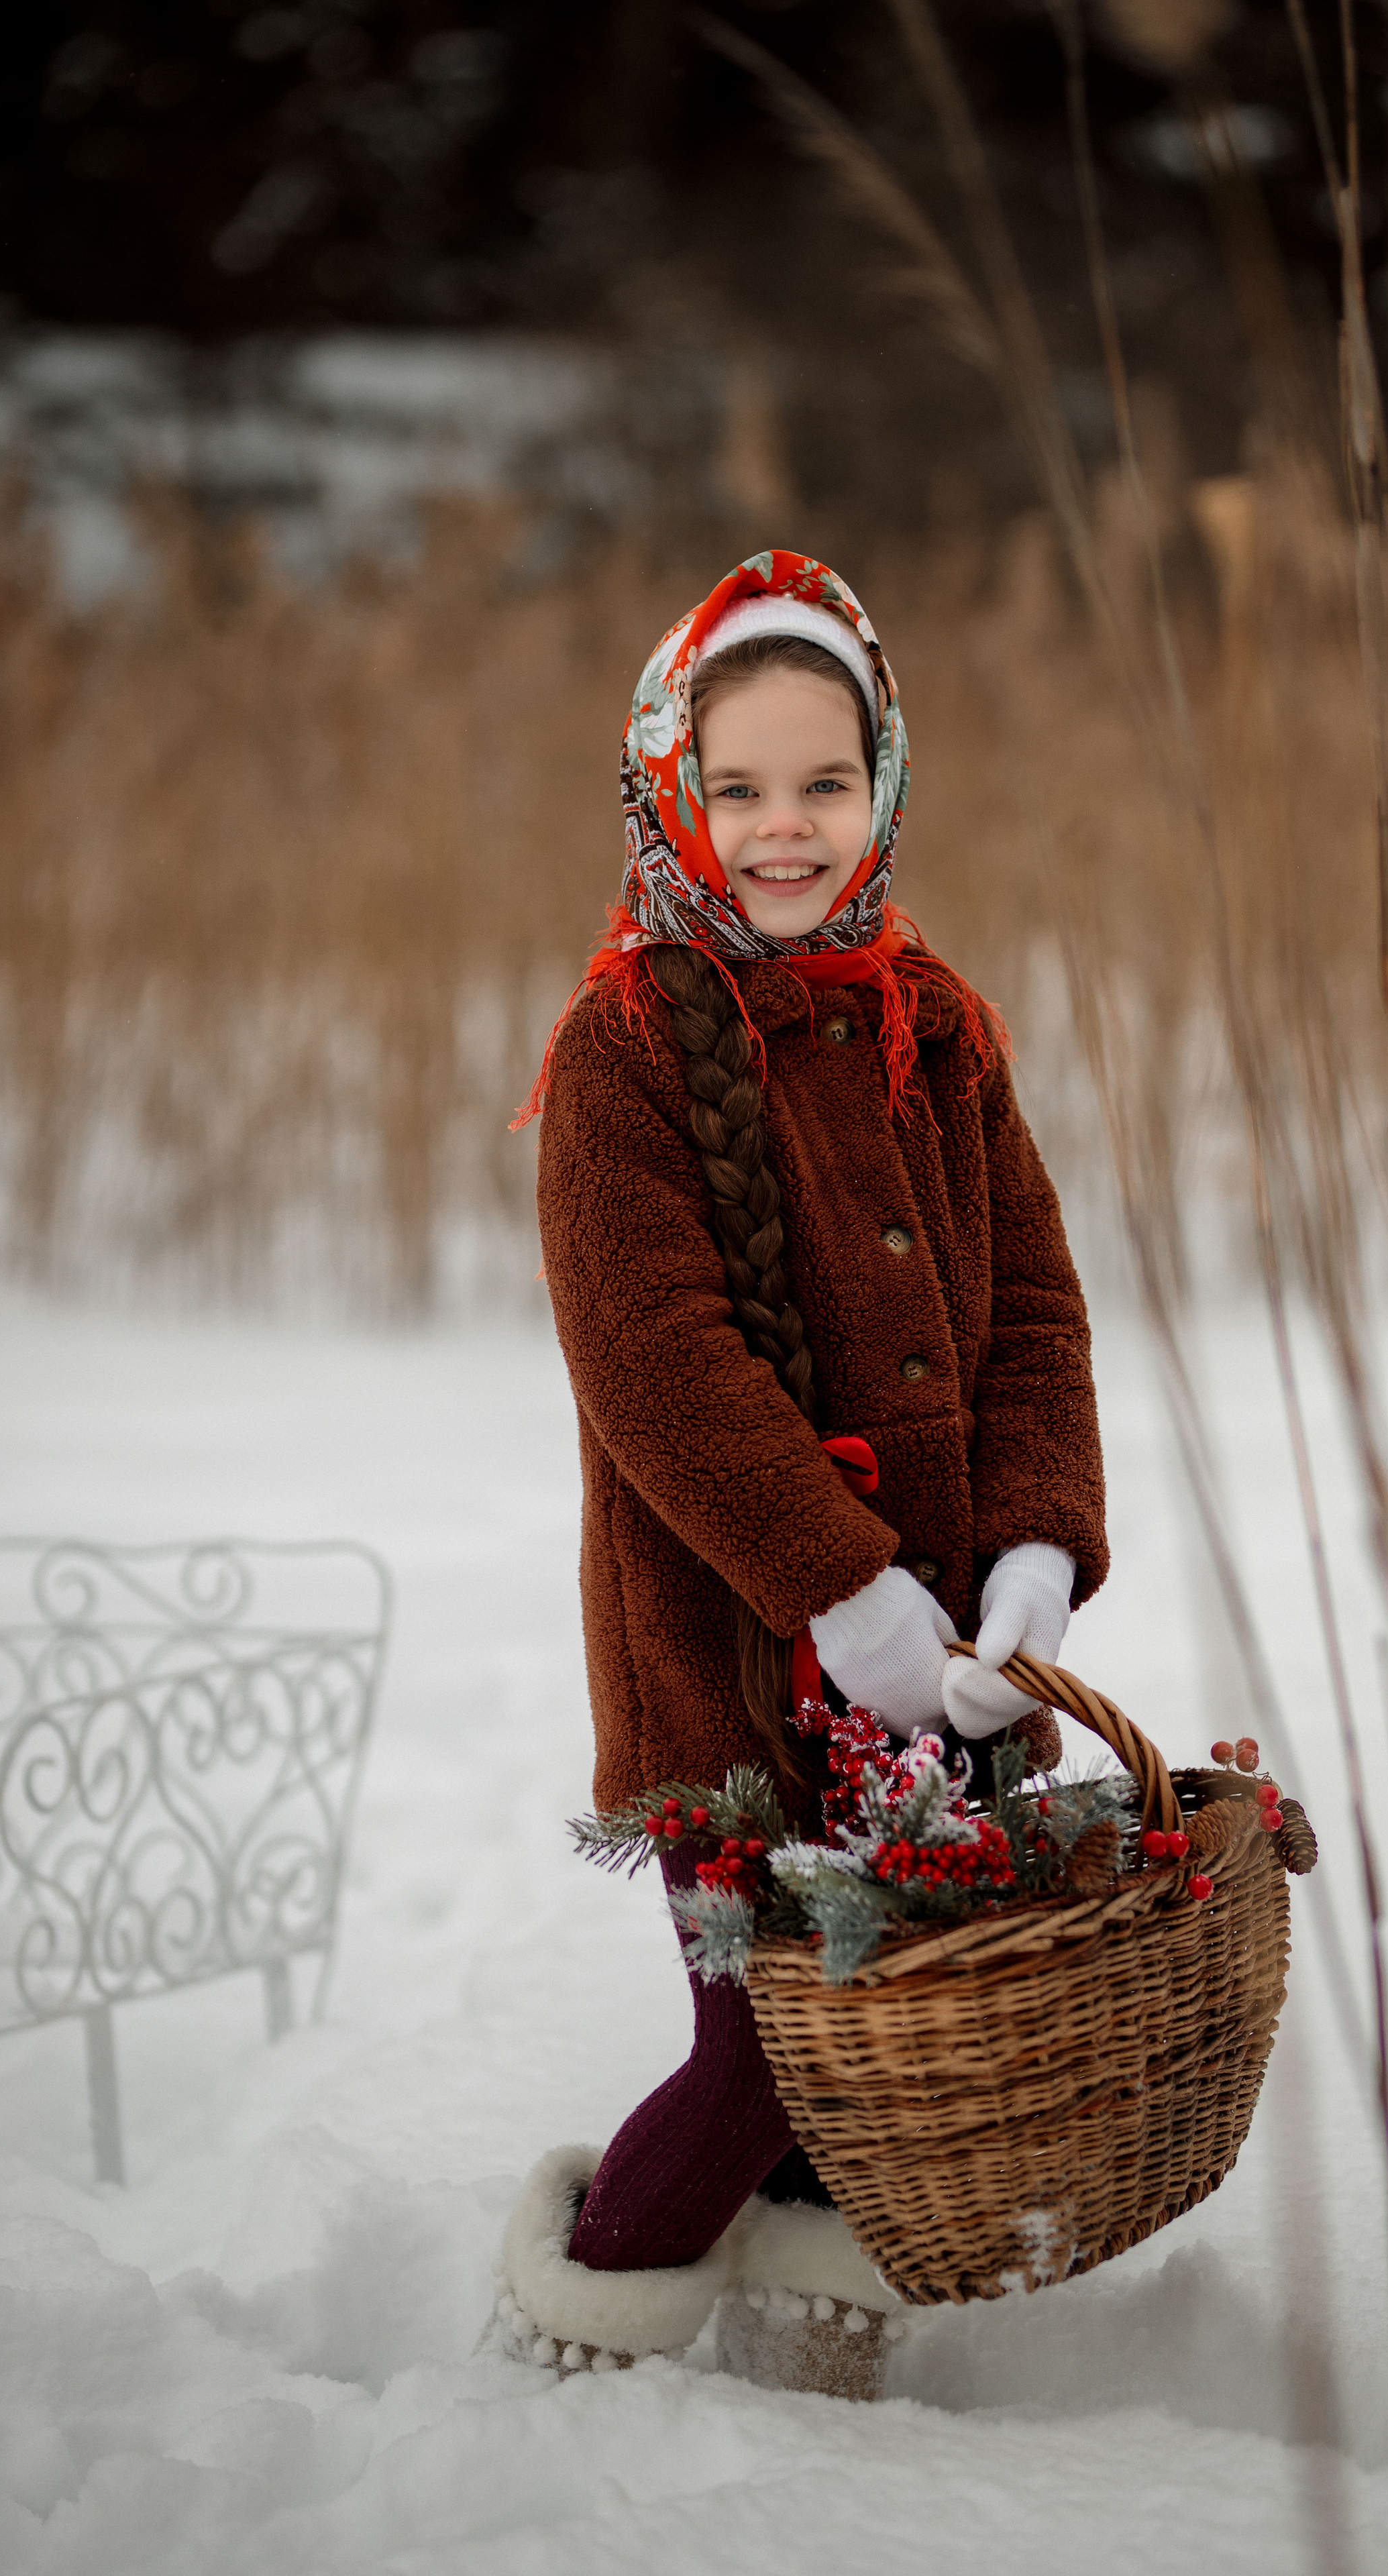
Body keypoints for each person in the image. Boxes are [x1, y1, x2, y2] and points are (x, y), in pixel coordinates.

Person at [486, 551, 1107, 2397]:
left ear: (887, 779)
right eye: (738, 785)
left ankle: (826, 2387)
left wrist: (1034, 1562)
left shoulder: (941, 1027)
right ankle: (563, 2359)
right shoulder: (624, 1055)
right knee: (773, 2039)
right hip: (738, 1661)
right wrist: (844, 1594)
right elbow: (659, 1370)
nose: (783, 827)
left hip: (953, 1676)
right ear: (671, 784)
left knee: (888, 2036)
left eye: (824, 782)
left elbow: (1034, 1326)